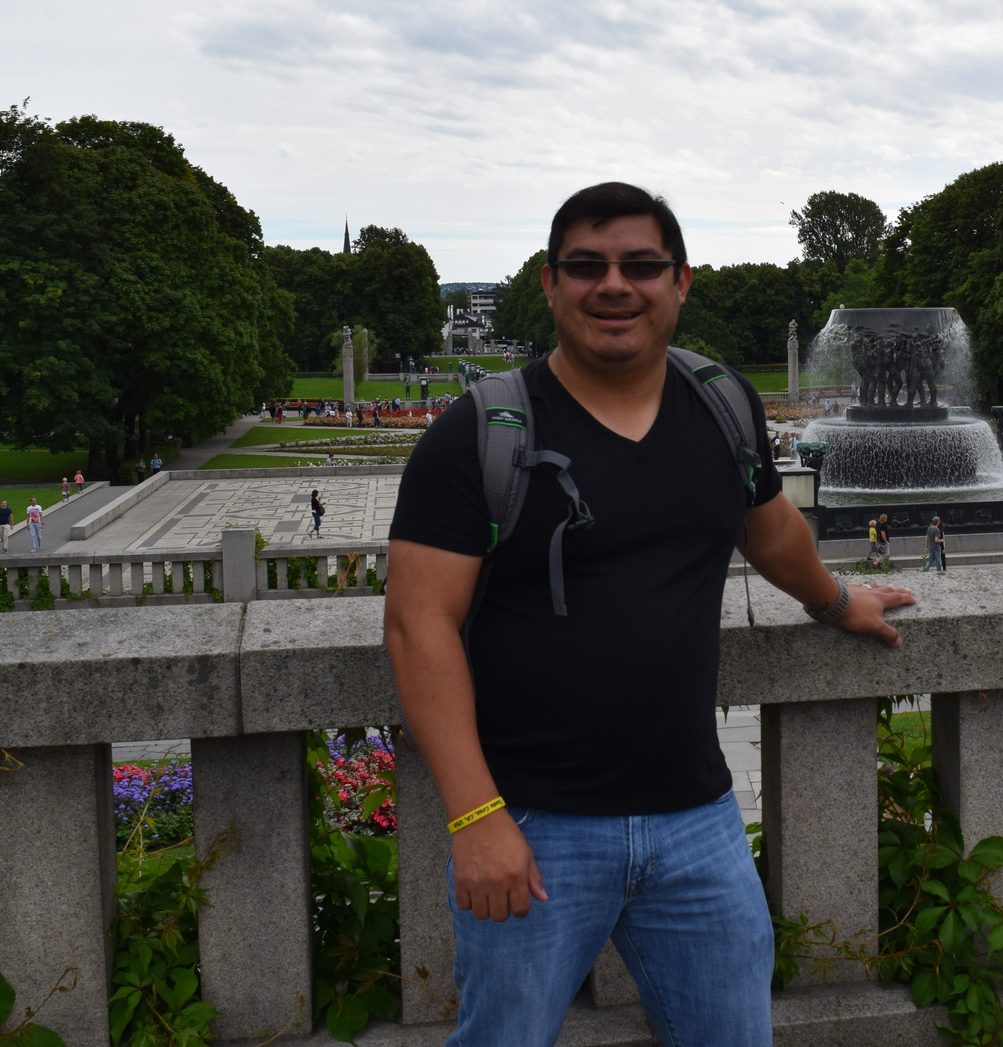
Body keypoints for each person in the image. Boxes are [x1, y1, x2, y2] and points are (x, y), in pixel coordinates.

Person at [383, 182, 916, 1046]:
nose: (614, 286)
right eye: (586, 267)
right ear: (551, 284)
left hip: (695, 817)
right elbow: (417, 625)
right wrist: (476, 816)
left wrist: (836, 599)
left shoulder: (722, 404)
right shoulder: (479, 432)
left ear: (680, 282)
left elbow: (771, 531)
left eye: (641, 266)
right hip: (532, 821)